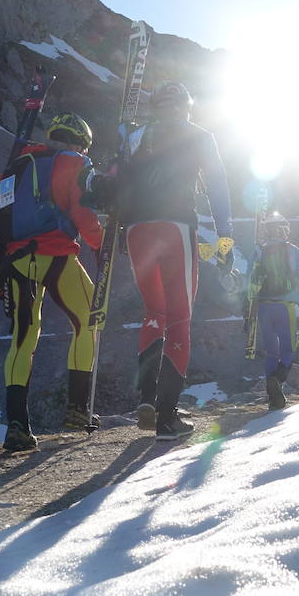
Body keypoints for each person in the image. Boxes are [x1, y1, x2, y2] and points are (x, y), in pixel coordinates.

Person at [113, 81, 233, 440]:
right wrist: (225, 237)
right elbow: (217, 186)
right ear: (186, 106)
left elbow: (119, 183)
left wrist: (120, 230)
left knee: (153, 312)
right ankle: (167, 417)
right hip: (175, 225)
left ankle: (147, 399)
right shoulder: (199, 135)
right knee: (179, 316)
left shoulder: (134, 136)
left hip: (135, 229)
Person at [0, 112, 105, 452]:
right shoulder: (75, 162)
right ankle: (78, 408)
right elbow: (82, 213)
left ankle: (16, 424)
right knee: (88, 321)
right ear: (80, 142)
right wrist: (102, 246)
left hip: (16, 259)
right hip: (56, 255)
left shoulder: (18, 164)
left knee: (23, 339)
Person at [249, 212, 299, 410]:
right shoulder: (293, 251)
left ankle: (273, 396)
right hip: (288, 306)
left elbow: (249, 282)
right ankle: (277, 380)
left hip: (263, 307)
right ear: (283, 229)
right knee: (288, 350)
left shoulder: (258, 251)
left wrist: (249, 307)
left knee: (271, 352)